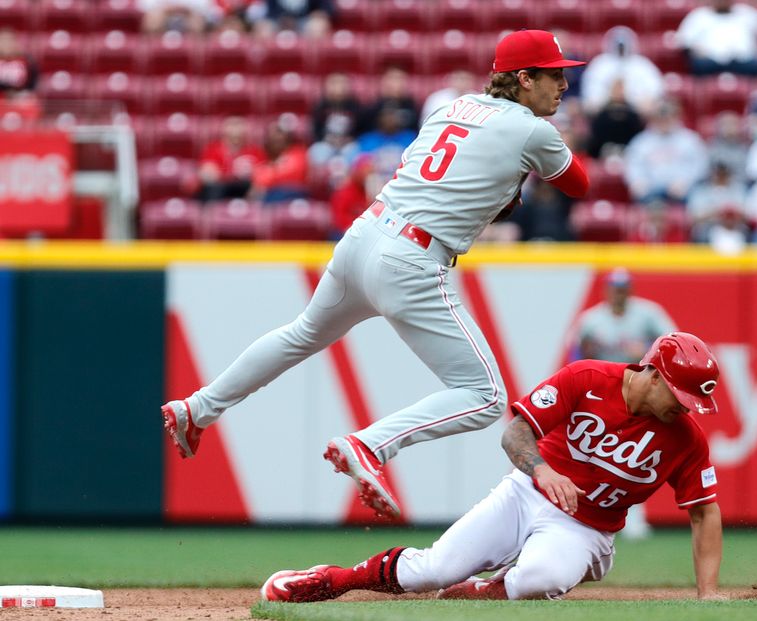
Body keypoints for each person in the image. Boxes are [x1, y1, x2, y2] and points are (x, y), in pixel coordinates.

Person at [162, 29, 590, 519]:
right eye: (554, 75)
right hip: (410, 257)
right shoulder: (533, 130)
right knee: (486, 397)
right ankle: (369, 446)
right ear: (523, 78)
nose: (563, 85)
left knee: (301, 333)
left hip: (364, 233)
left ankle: (198, 407)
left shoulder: (452, 107)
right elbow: (578, 183)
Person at [262, 332, 724, 602]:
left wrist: (706, 598)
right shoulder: (587, 378)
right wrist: (543, 470)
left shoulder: (686, 439)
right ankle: (335, 580)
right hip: (526, 492)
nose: (688, 409)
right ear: (656, 373)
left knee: (541, 578)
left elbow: (705, 512)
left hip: (587, 529)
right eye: (684, 397)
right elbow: (514, 433)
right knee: (433, 570)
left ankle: (482, 594)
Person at [572, 268, 677, 538]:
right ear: (607, 290)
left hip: (641, 394)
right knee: (599, 455)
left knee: (638, 453)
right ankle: (596, 516)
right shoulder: (591, 320)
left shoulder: (648, 313)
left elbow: (675, 343)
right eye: (615, 287)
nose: (619, 292)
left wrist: (645, 349)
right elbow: (576, 357)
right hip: (605, 393)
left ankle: (635, 518)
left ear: (630, 289)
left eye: (623, 287)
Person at [624, 99, 709, 205]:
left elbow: (700, 166)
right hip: (651, 189)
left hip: (682, 190)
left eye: (668, 117)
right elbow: (633, 165)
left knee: (697, 198)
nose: (664, 121)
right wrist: (637, 181)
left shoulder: (690, 140)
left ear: (676, 117)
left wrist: (686, 182)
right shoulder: (642, 141)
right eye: (660, 118)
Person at [580, 26, 664, 117]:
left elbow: (656, 90)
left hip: (636, 114)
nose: (621, 48)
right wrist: (611, 97)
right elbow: (590, 93)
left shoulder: (642, 64)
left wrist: (629, 97)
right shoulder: (599, 64)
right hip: (604, 114)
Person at [675, 0, 757, 76]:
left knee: (756, 65)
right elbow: (684, 42)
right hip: (710, 62)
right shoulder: (698, 15)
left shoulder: (747, 14)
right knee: (699, 65)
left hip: (742, 63)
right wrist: (696, 51)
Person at [196, 116, 267, 203]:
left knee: (259, 190)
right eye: (232, 125)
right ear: (224, 129)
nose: (235, 129)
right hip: (221, 188)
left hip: (245, 187)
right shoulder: (212, 150)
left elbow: (264, 174)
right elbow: (207, 175)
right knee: (212, 188)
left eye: (238, 124)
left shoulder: (255, 152)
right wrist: (229, 174)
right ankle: (212, 214)